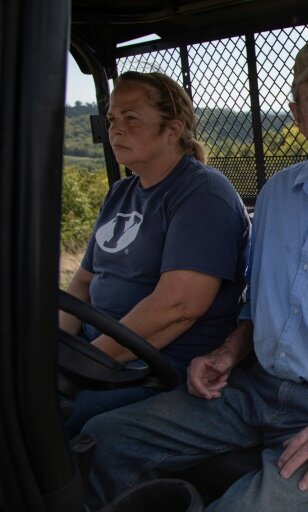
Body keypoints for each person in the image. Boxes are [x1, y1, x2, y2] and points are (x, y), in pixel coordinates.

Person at [83, 35, 308, 511]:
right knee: (105, 439)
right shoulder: (277, 196)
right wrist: (225, 353)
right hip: (254, 388)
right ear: (298, 116)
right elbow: (257, 310)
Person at [59, 71, 251, 435]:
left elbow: (178, 308)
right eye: (113, 119)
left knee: (52, 413)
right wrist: (56, 347)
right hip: (99, 350)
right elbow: (83, 281)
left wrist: (83, 365)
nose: (116, 130)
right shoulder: (121, 192)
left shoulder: (203, 195)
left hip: (155, 365)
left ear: (172, 129)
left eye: (131, 119)